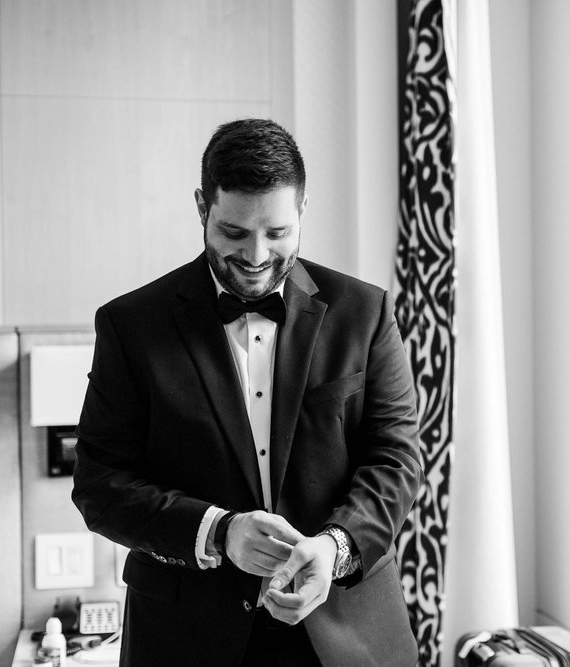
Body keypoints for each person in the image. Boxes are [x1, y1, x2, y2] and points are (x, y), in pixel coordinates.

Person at [72, 118, 423, 666]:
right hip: (184, 638)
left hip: (344, 631)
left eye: (277, 233)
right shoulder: (130, 326)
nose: (257, 256)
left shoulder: (366, 313)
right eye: (234, 232)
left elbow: (397, 459)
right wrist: (218, 530)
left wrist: (332, 550)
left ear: (302, 209)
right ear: (201, 207)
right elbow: (100, 484)